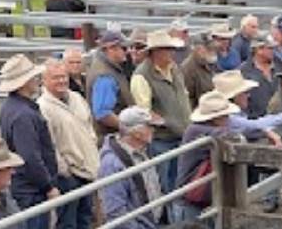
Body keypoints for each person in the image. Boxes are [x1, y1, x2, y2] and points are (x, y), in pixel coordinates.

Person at [0, 54, 59, 229]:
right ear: (24, 82)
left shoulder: (12, 109)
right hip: (31, 189)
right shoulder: (23, 114)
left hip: (23, 186)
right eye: (33, 77)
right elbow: (30, 157)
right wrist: (48, 185)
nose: (37, 80)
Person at [36, 59, 98, 229]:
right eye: (55, 77)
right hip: (68, 173)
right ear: (44, 80)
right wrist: (64, 170)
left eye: (63, 76)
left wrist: (92, 148)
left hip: (87, 166)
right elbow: (50, 145)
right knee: (67, 222)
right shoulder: (44, 107)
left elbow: (89, 125)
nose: (61, 81)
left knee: (84, 217)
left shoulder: (77, 98)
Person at [131, 30, 192, 194]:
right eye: (166, 49)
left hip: (179, 136)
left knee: (178, 182)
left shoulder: (174, 69)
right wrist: (167, 123)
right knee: (163, 184)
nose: (171, 53)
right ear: (155, 52)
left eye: (171, 49)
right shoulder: (141, 76)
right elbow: (144, 113)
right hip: (161, 140)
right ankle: (164, 217)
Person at [98, 107, 163, 229]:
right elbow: (114, 212)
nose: (153, 131)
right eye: (150, 127)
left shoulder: (141, 150)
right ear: (136, 132)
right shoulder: (112, 164)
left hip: (148, 228)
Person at [173, 92, 242, 223]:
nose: (228, 119)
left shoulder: (198, 129)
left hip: (196, 196)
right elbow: (228, 135)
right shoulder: (200, 131)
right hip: (190, 200)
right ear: (216, 118)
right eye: (225, 116)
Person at [213, 70, 282, 145]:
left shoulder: (237, 116)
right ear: (234, 97)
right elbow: (255, 124)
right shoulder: (229, 118)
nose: (249, 95)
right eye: (246, 92)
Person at [87, 31, 136, 137]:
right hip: (111, 139)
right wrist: (127, 129)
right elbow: (102, 113)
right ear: (110, 49)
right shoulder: (104, 76)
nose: (127, 52)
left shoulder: (109, 69)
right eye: (124, 48)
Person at [240, 33, 278, 117]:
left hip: (280, 117)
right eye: (270, 48)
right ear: (259, 50)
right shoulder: (244, 71)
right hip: (256, 119)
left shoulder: (280, 66)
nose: (273, 51)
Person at [181, 33, 219, 109]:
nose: (213, 51)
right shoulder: (188, 69)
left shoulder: (208, 62)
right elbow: (188, 99)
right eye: (209, 49)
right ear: (198, 49)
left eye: (213, 49)